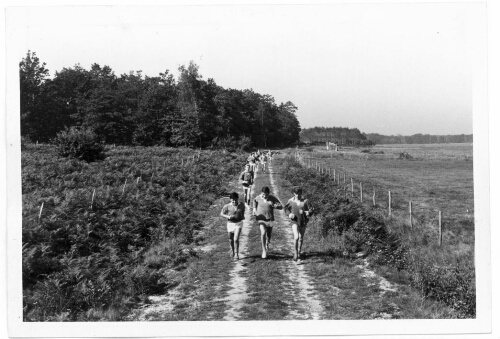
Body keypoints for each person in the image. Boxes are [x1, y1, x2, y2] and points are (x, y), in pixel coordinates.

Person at [284, 187, 314, 261]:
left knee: (300, 238)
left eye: (299, 193)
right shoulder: (290, 201)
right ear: (294, 193)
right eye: (296, 193)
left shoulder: (306, 201)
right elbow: (286, 209)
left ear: (301, 193)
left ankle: (299, 252)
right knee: (296, 237)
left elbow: (311, 209)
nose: (298, 195)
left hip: (303, 221)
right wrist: (289, 214)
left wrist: (308, 213)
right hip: (294, 221)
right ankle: (295, 253)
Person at [253, 186, 282, 258]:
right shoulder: (258, 198)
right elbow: (254, 202)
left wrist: (275, 206)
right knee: (263, 232)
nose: (264, 195)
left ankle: (267, 243)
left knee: (268, 235)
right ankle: (264, 251)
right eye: (263, 194)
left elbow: (281, 206)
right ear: (261, 193)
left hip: (270, 218)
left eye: (266, 194)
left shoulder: (272, 198)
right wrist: (254, 210)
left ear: (268, 193)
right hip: (261, 218)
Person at [221, 192, 245, 260]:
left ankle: (236, 254)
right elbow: (222, 213)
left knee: (236, 239)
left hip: (238, 223)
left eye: (235, 199)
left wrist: (242, 216)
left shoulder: (241, 205)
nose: (233, 201)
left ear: (237, 198)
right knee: (231, 239)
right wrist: (228, 216)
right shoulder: (227, 206)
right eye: (232, 199)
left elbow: (243, 210)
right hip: (230, 224)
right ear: (230, 199)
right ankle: (232, 249)